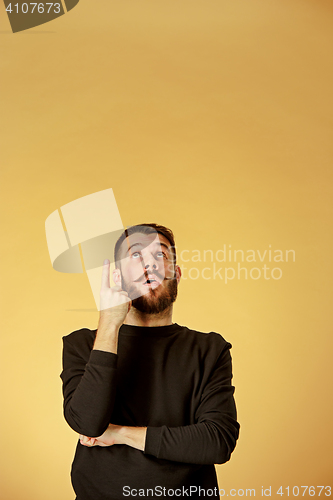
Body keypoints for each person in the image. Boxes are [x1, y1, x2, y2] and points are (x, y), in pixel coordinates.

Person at [60, 223, 240, 500]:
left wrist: (120, 433)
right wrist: (109, 324)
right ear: (117, 277)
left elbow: (217, 442)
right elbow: (87, 423)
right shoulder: (83, 345)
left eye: (161, 256)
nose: (150, 265)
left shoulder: (209, 349)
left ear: (176, 274)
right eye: (135, 255)